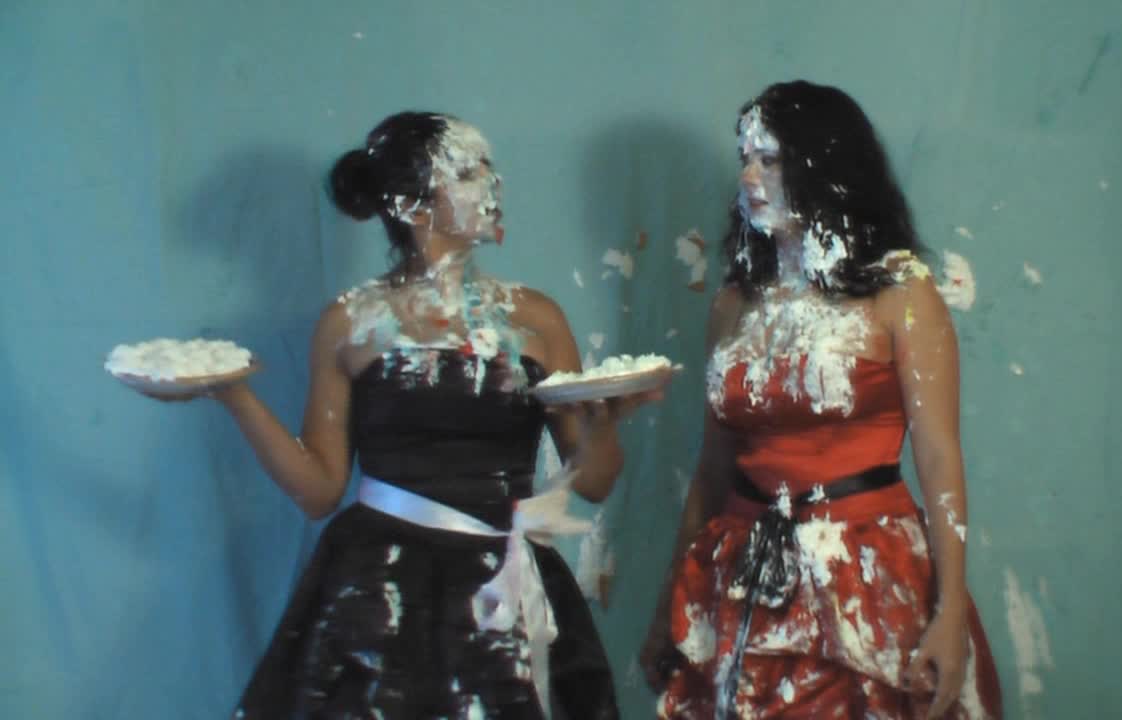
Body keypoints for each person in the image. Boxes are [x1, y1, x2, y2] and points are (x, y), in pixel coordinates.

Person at [158, 111, 656, 718]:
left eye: (488, 168)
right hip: (380, 590)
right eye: (468, 173)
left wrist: (607, 418)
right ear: (410, 205)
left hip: (503, 586)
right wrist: (235, 396)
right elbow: (319, 491)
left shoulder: (538, 319)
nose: (493, 185)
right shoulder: (348, 322)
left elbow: (596, 481)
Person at [640, 81, 1003, 719]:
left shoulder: (902, 292)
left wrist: (948, 612)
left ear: (827, 166)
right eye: (745, 159)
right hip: (743, 574)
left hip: (867, 570)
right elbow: (712, 469)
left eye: (770, 160)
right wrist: (670, 603)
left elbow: (939, 457)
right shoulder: (733, 304)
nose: (749, 177)